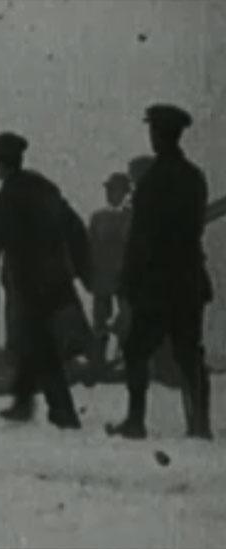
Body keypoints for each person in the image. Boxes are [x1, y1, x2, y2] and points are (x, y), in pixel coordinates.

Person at [0, 131, 90, 430]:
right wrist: (83, 270)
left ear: (0, 164)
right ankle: (26, 403)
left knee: (40, 344)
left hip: (30, 282)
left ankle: (62, 413)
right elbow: (74, 227)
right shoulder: (46, 189)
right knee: (35, 342)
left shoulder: (6, 197)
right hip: (56, 278)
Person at [107, 104, 214, 440]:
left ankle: (136, 421)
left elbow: (140, 240)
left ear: (158, 136)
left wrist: (126, 285)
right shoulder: (194, 177)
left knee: (136, 349)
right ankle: (200, 425)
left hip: (156, 284)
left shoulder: (151, 182)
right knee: (189, 353)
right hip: (189, 280)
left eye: (153, 132)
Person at [86, 173, 133, 377]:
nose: (109, 194)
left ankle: (127, 359)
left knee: (126, 318)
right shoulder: (98, 217)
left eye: (114, 189)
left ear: (124, 192)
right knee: (100, 320)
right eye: (108, 190)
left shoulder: (131, 216)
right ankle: (98, 361)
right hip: (102, 276)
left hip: (124, 276)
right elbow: (89, 245)